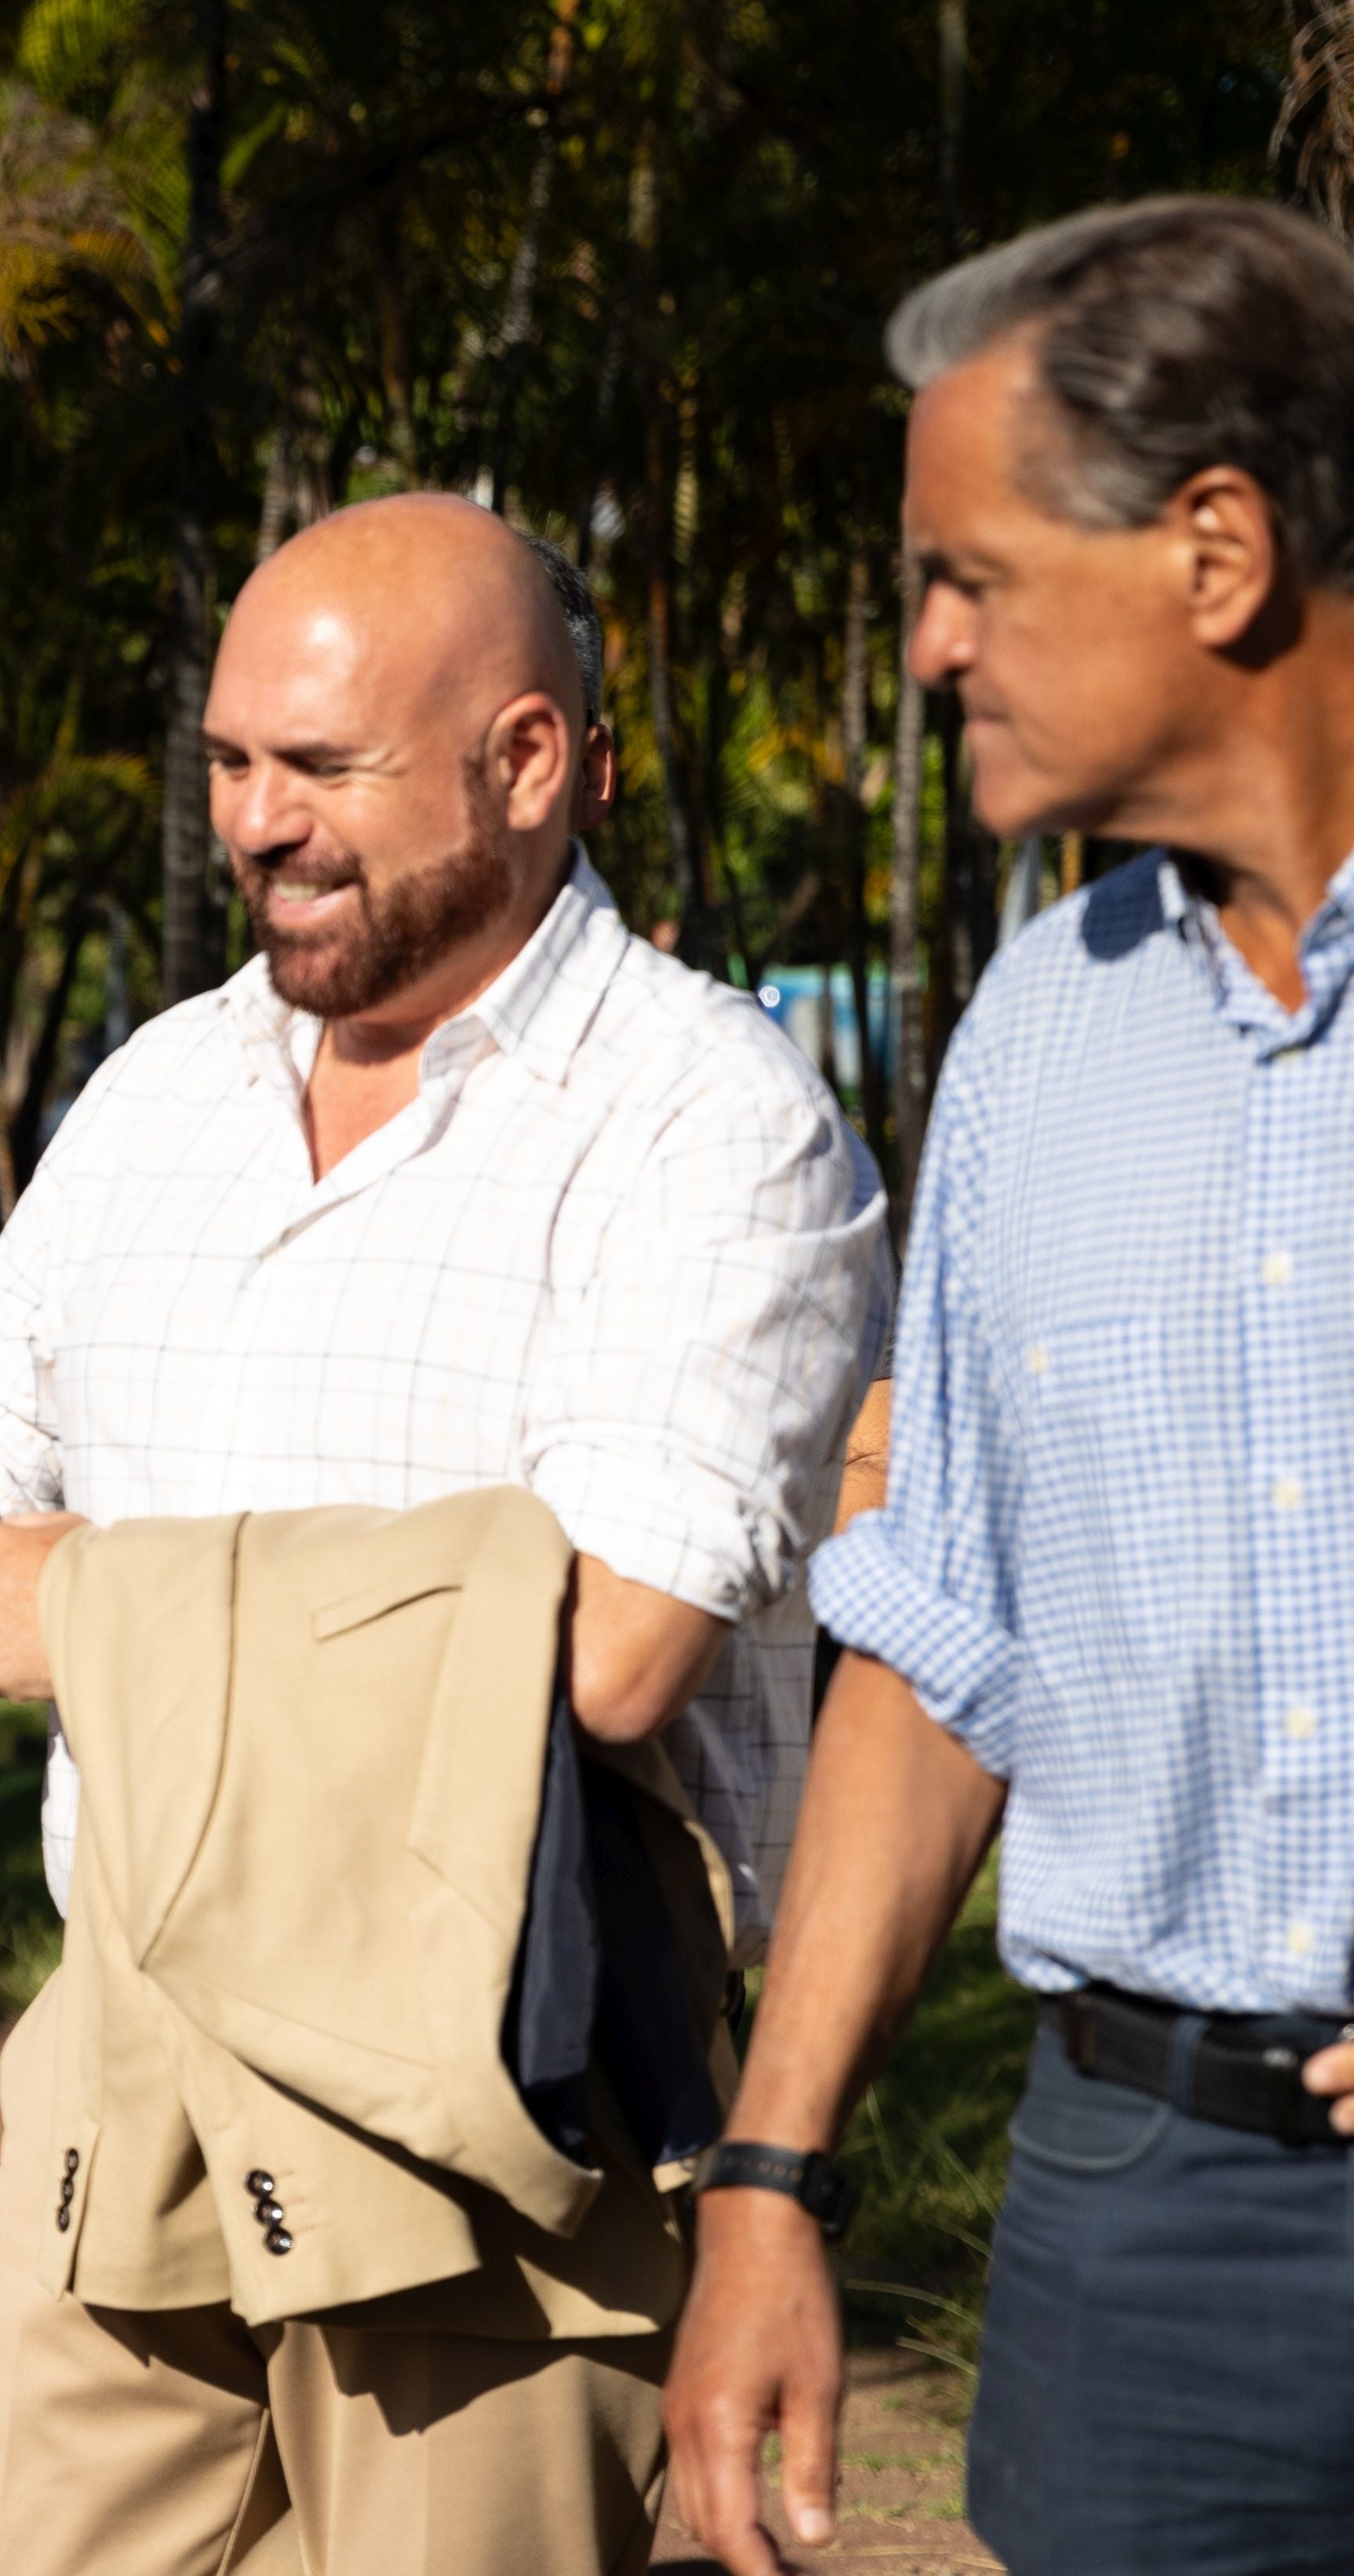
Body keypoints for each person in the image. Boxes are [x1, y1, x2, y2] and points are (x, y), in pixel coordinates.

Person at [0, 493, 885, 2576]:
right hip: (125, 2038)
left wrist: (93, 1607)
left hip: (482, 2082)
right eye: (226, 762)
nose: (252, 824)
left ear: (524, 761)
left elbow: (610, 1639)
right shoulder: (162, 1089)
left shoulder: (709, 1125)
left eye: (320, 769)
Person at [667, 197, 1354, 2576]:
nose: (929, 644)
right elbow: (942, 1635)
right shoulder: (1034, 1040)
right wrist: (768, 2175)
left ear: (1215, 549)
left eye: (967, 571)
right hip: (1131, 2229)